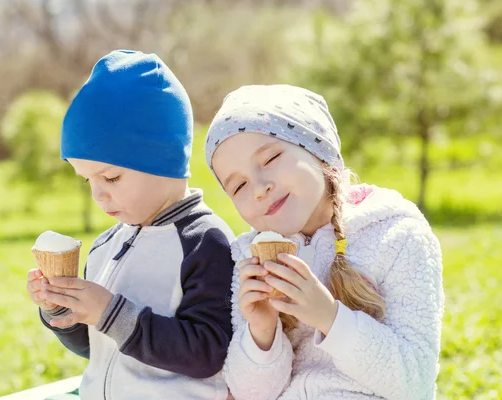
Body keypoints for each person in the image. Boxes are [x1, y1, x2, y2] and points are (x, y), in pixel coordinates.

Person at [205, 84, 444, 399]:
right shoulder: (249, 260)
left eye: (271, 158)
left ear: (318, 150)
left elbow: (415, 383)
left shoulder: (397, 236)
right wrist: (261, 332)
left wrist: (327, 316)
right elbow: (251, 394)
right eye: (238, 186)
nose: (259, 188)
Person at [26, 50, 235, 400]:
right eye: (87, 180)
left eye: (110, 177)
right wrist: (60, 308)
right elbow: (99, 349)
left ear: (163, 160)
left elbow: (209, 352)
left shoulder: (204, 242)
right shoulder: (107, 244)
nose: (99, 196)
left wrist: (111, 312)